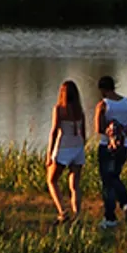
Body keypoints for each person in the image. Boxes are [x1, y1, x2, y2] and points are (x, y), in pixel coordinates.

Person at [94, 75, 127, 229]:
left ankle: (111, 217)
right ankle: (125, 205)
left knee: (108, 181)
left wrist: (110, 131)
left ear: (102, 89)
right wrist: (123, 130)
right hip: (124, 146)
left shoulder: (103, 105)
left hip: (106, 146)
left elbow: (98, 128)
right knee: (115, 176)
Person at [46, 80, 87, 224]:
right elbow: (84, 134)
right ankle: (77, 216)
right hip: (78, 148)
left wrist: (49, 154)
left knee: (52, 180)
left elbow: (54, 131)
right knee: (75, 186)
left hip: (63, 147)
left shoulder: (59, 109)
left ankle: (62, 211)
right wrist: (82, 147)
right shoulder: (80, 111)